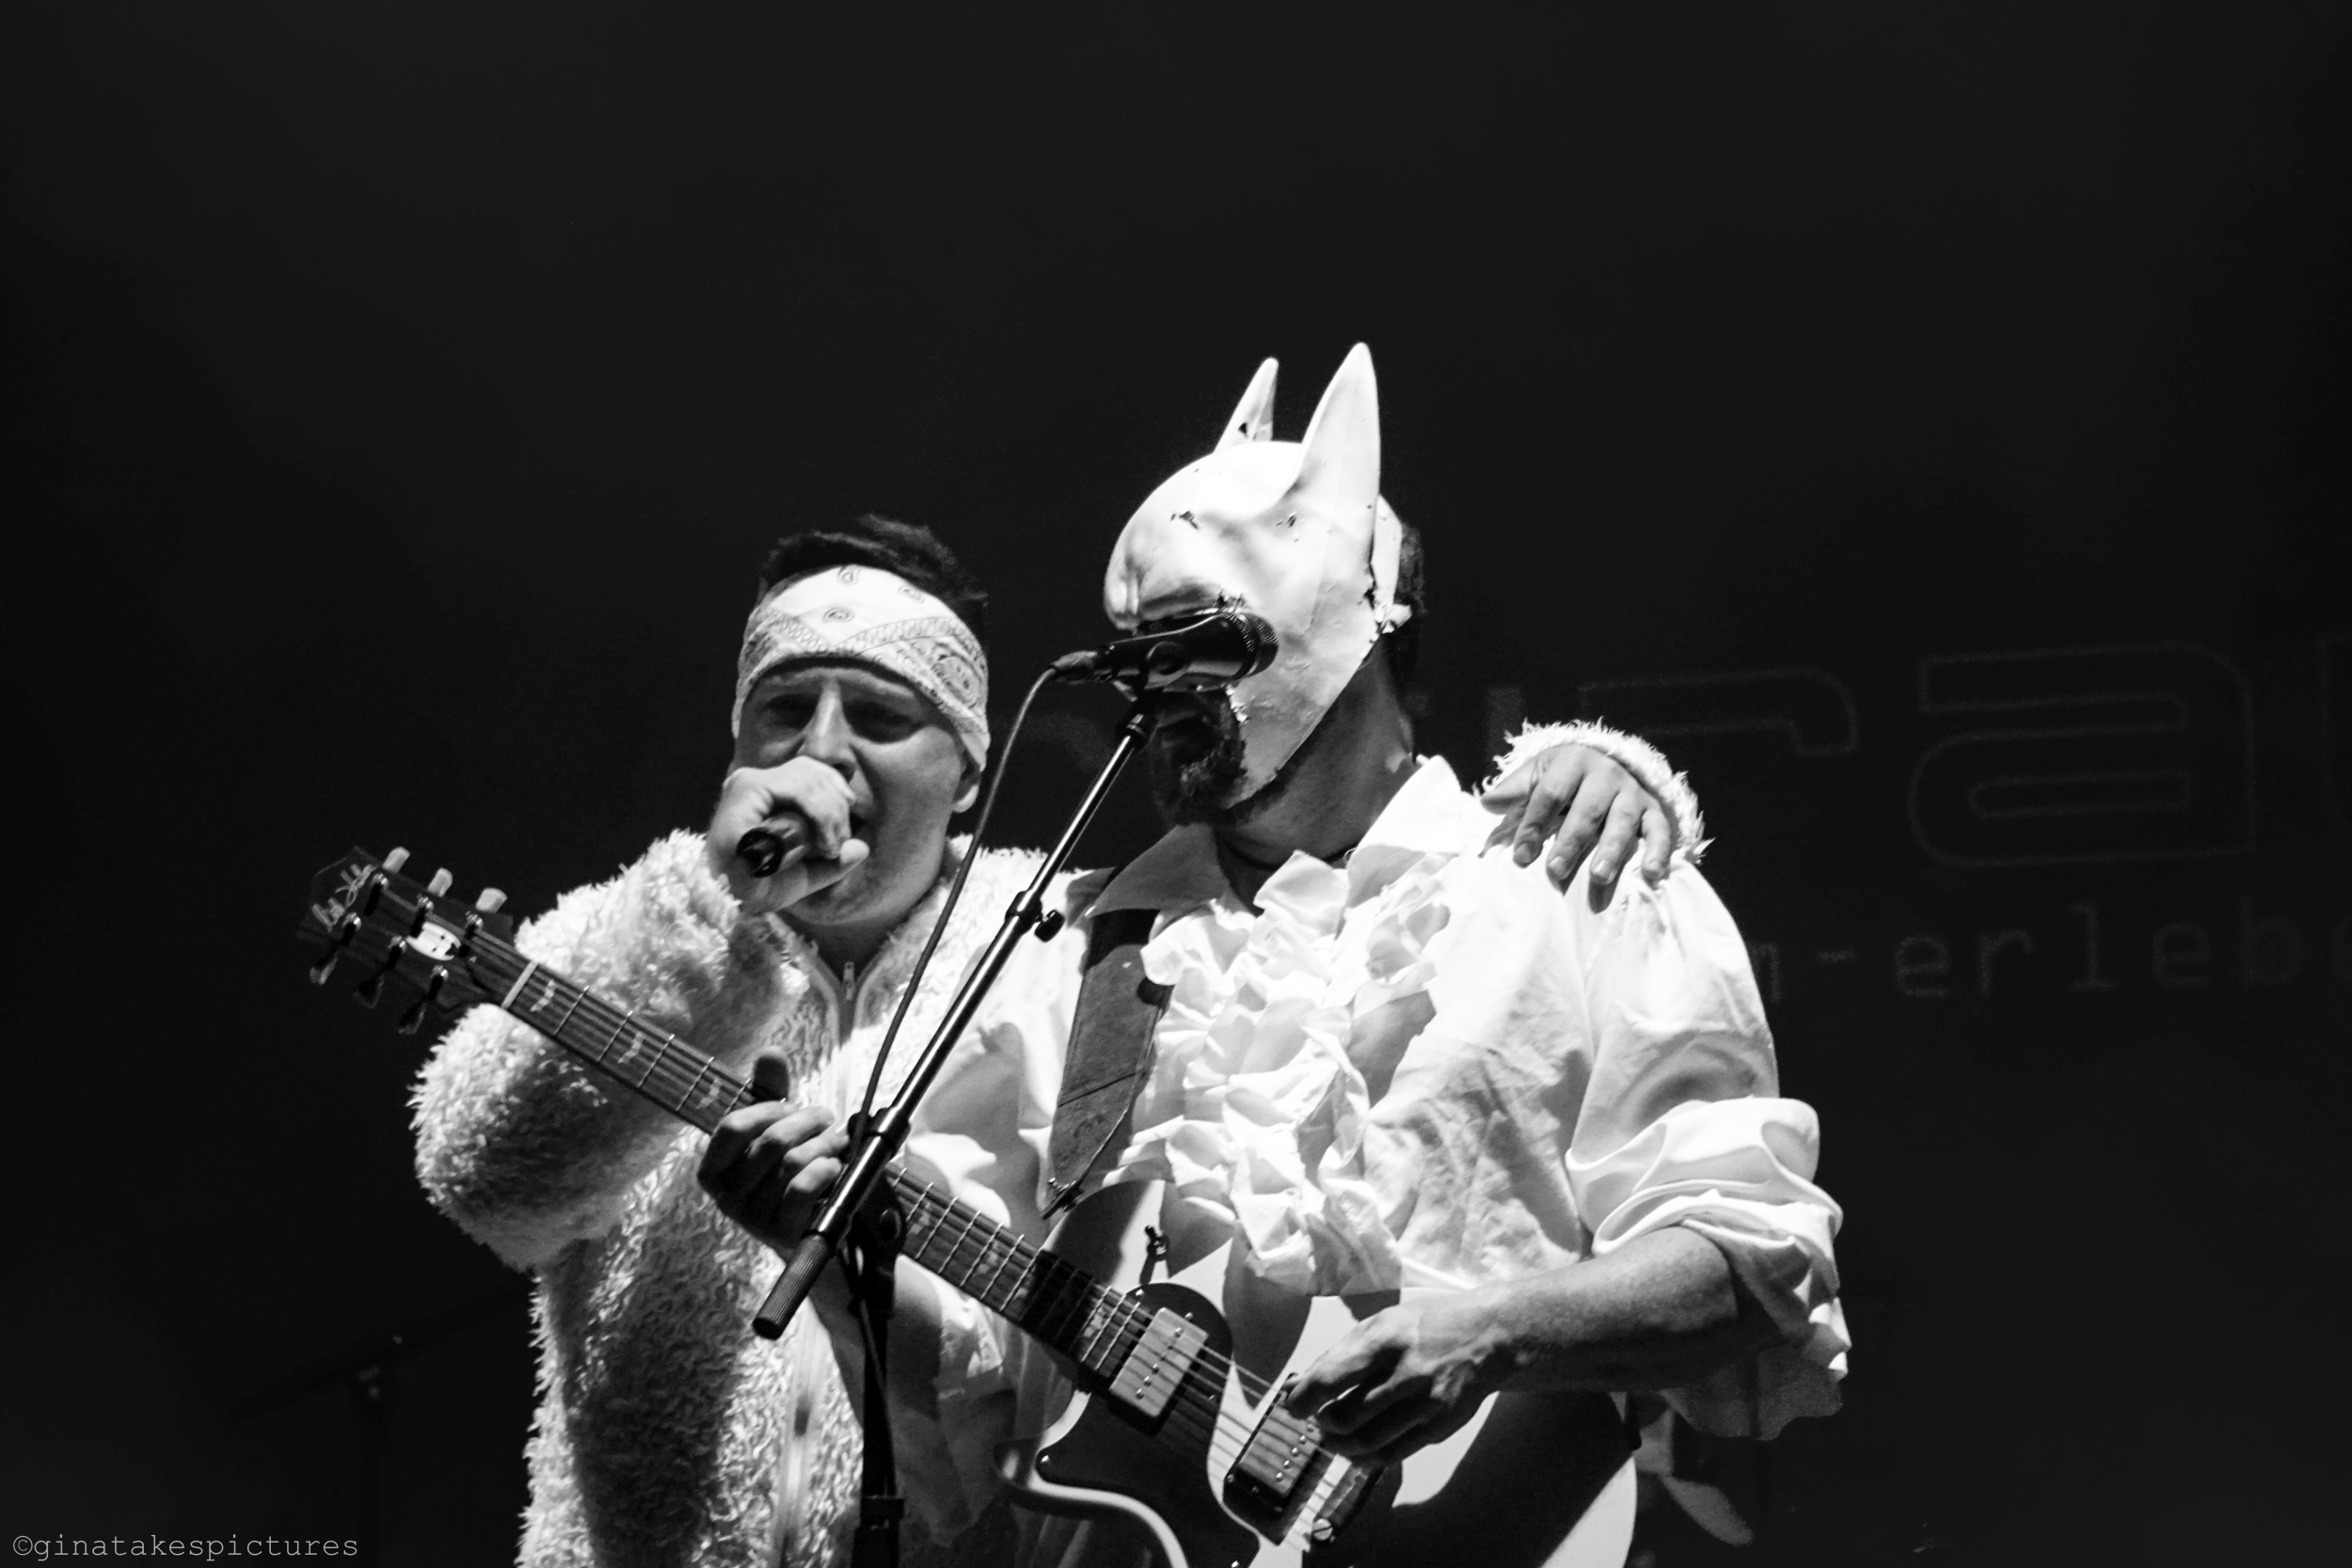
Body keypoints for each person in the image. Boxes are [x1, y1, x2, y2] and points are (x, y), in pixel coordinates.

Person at [700, 350, 1848, 1568]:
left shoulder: (1578, 884)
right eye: (1139, 651)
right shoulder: (1075, 947)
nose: (1157, 686)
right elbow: (975, 1389)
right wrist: (839, 1261)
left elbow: (1751, 1262)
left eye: (1202, 642)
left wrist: (1491, 1333)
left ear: (1363, 616)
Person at [411, 512, 1692, 1568]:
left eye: (880, 715)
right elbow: (485, 1177)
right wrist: (717, 903)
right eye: (784, 707)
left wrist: (1592, 770)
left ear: (970, 770)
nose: (822, 750)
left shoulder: (1066, 935)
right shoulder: (629, 940)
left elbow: (1321, 901)